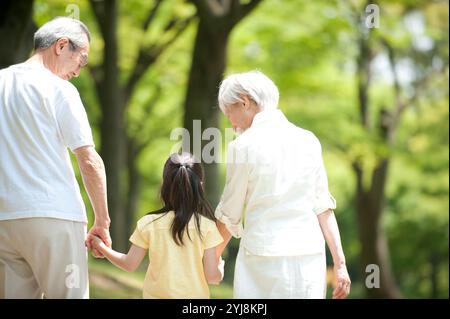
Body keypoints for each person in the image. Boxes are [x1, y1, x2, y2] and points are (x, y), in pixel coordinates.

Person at [0, 17, 111, 299]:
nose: (78, 71)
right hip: (54, 215)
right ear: (62, 46)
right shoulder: (59, 89)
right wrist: (102, 222)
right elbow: (88, 160)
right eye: (81, 60)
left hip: (5, 219)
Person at [214, 70, 351, 299]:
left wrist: (210, 258)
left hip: (263, 261)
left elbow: (230, 215)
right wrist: (340, 264)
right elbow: (323, 207)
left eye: (230, 113)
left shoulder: (243, 146)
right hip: (309, 258)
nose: (232, 123)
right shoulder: (308, 140)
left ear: (245, 102)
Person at [91, 153, 224, 299]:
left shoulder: (149, 223)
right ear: (200, 186)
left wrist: (101, 246)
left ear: (165, 185)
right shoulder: (207, 227)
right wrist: (220, 269)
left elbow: (129, 264)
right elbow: (212, 277)